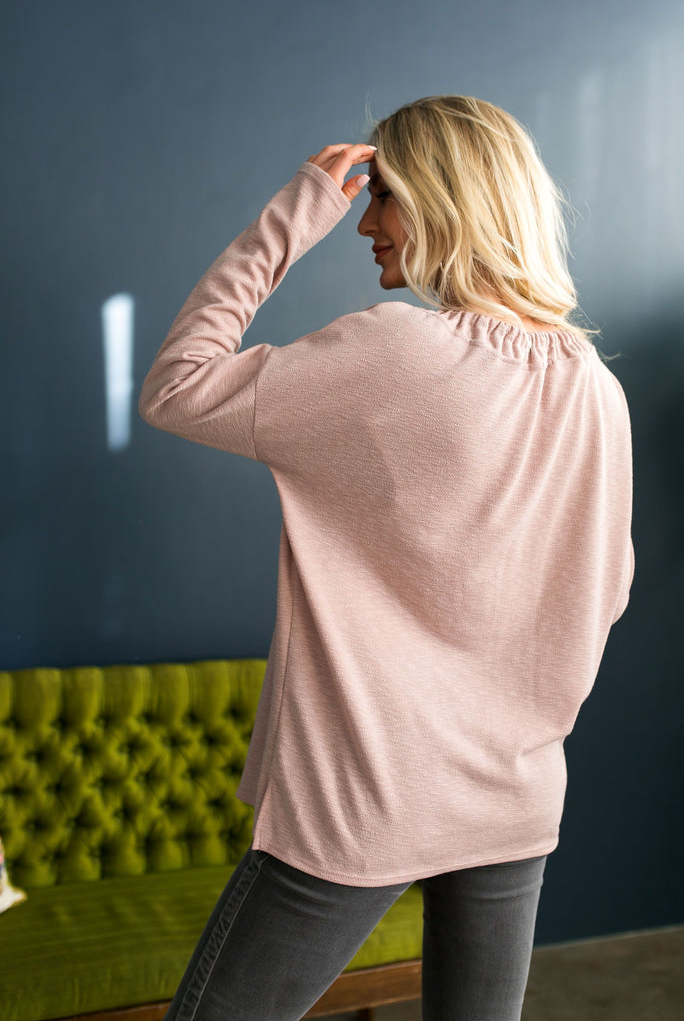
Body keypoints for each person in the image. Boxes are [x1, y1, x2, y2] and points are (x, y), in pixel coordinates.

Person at [138, 94, 635, 1021]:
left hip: (367, 790)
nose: (366, 222)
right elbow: (605, 592)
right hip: (517, 788)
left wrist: (292, 218)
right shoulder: (596, 387)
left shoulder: (394, 351)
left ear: (449, 201)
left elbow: (178, 388)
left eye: (387, 197)